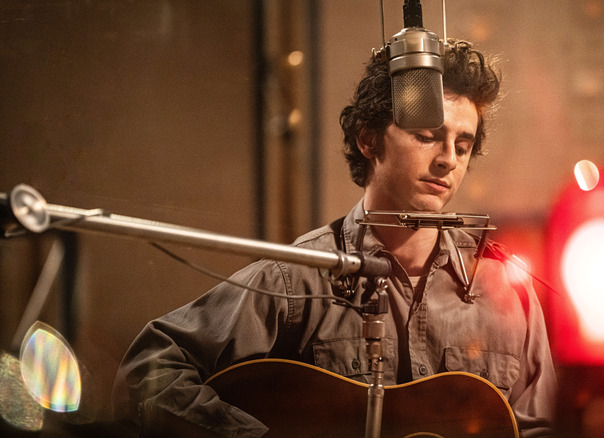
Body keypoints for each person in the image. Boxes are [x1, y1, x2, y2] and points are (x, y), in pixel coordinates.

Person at [112, 39, 557, 437]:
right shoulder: (298, 278)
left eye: (462, 145)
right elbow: (146, 371)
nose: (447, 160)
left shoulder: (508, 290)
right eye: (426, 136)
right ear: (368, 139)